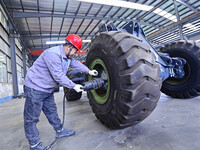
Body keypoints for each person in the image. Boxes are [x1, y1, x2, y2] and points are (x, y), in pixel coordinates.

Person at [23, 34, 98, 150]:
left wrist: (89, 71)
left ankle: (59, 131)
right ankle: (34, 144)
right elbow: (58, 76)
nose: (75, 53)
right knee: (31, 118)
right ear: (69, 47)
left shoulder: (67, 57)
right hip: (35, 88)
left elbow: (76, 64)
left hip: (47, 89)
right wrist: (74, 86)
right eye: (75, 51)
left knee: (52, 111)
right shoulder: (53, 55)